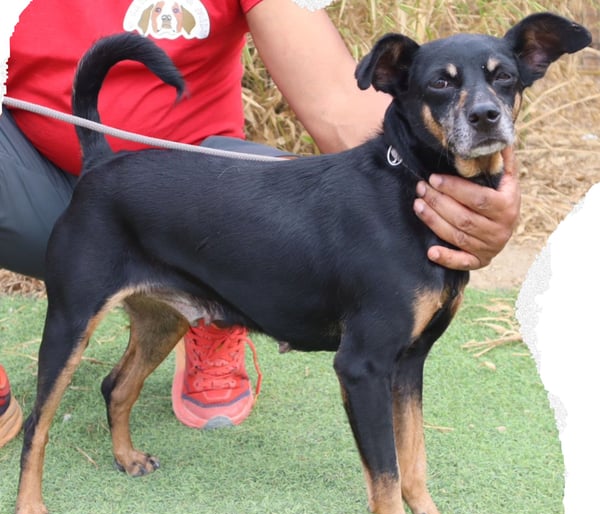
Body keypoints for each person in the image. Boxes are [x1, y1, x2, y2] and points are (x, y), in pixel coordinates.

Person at [0, 0, 520, 446]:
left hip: (199, 189)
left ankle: (216, 302)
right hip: (29, 175)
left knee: (293, 195)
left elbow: (342, 107)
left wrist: (460, 199)